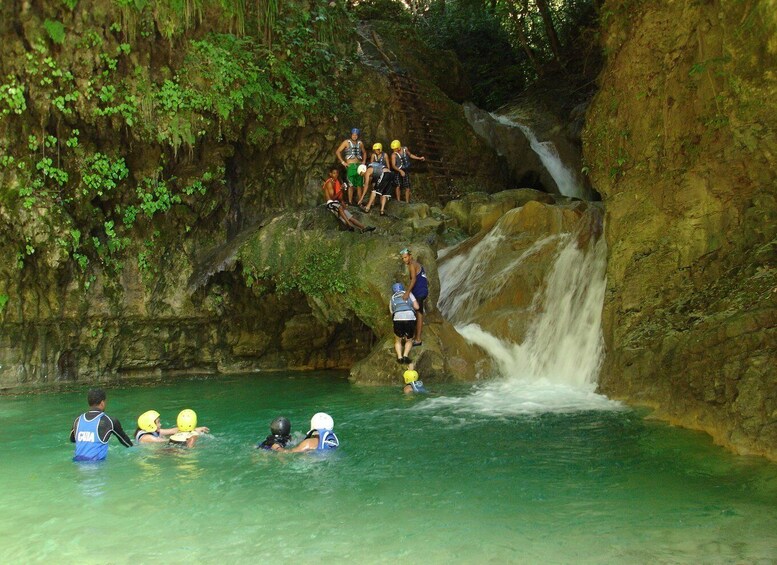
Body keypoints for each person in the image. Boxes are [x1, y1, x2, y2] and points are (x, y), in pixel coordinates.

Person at [70, 388, 133, 461]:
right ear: (102, 402)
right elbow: (126, 442)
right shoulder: (109, 420)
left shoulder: (78, 420)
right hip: (97, 465)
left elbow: (73, 440)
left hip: (77, 462)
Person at [322, 167, 375, 233]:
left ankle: (364, 227)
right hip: (331, 203)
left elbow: (339, 197)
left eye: (337, 173)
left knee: (350, 217)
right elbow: (332, 197)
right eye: (334, 173)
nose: (336, 175)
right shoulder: (329, 183)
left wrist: (343, 202)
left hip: (337, 203)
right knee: (340, 207)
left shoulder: (336, 182)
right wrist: (341, 189)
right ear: (330, 174)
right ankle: (349, 225)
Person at [400, 247, 428, 346]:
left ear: (410, 256)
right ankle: (412, 335)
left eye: (406, 257)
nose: (405, 260)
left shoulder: (412, 265)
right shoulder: (416, 264)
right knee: (416, 312)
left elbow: (413, 280)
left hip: (420, 292)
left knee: (419, 313)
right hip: (420, 291)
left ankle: (418, 339)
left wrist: (407, 292)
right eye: (403, 258)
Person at [134, 409, 209, 444]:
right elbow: (169, 442)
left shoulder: (150, 430)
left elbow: (173, 430)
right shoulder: (147, 438)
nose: (160, 424)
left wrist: (193, 429)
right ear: (150, 425)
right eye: (158, 422)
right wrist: (187, 437)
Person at [389, 282, 419, 364]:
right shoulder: (409, 294)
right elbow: (417, 307)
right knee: (409, 340)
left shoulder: (392, 298)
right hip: (409, 318)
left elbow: (392, 312)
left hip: (398, 319)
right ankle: (405, 356)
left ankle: (399, 357)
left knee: (397, 340)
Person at [335, 128, 366, 204]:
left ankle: (360, 202)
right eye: (353, 135)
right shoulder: (346, 142)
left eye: (356, 135)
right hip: (350, 165)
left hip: (359, 165)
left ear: (358, 136)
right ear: (351, 135)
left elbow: (364, 152)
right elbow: (338, 151)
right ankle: (350, 201)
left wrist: (364, 161)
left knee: (360, 184)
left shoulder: (360, 143)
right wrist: (343, 162)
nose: (354, 136)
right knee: (350, 185)